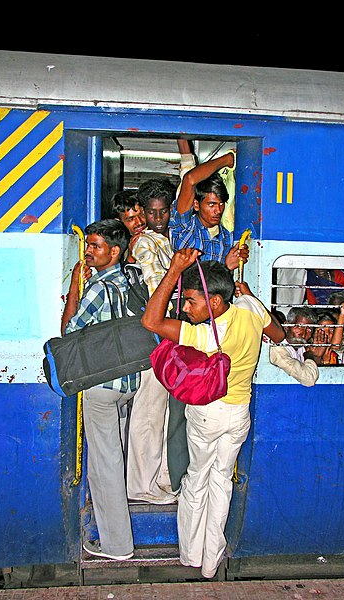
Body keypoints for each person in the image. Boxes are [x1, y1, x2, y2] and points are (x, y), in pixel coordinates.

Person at [141, 247, 285, 579]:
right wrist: (250, 297)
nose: (187, 308)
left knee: (197, 480)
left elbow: (151, 321)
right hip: (239, 415)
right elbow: (277, 334)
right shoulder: (249, 308)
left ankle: (191, 556)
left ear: (216, 302)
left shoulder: (206, 334)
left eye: (191, 301)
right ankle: (211, 562)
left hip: (208, 414)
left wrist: (175, 270)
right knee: (222, 481)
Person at [61, 219, 140, 561]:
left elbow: (68, 332)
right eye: (88, 245)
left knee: (103, 465)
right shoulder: (132, 279)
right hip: (128, 382)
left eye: (95, 246)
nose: (88, 251)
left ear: (115, 251)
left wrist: (77, 285)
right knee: (114, 456)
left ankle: (117, 546)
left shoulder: (96, 288)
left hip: (101, 386)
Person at [126, 177, 180, 503]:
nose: (159, 218)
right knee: (148, 412)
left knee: (159, 411)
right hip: (154, 337)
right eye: (153, 212)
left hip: (166, 336)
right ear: (144, 213)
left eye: (163, 211)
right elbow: (155, 284)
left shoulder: (165, 240)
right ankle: (141, 486)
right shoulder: (145, 244)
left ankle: (157, 480)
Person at [169, 150, 248, 271]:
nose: (218, 210)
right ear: (196, 204)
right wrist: (228, 160)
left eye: (221, 204)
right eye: (212, 204)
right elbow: (189, 180)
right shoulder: (184, 228)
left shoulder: (228, 237)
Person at [269, 306, 323, 385]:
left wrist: (317, 356)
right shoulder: (277, 349)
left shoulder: (304, 347)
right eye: (299, 326)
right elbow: (309, 379)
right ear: (287, 326)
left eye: (309, 329)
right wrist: (309, 356)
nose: (303, 334)